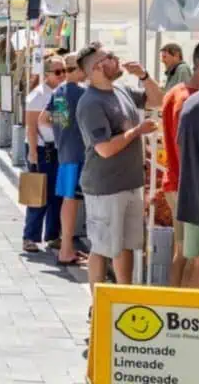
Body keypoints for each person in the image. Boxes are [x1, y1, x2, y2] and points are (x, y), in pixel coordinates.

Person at [75, 43, 163, 295]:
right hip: (105, 186)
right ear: (96, 68)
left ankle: (124, 297)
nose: (116, 59)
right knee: (103, 247)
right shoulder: (90, 102)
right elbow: (103, 149)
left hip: (129, 182)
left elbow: (158, 101)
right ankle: (98, 305)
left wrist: (144, 76)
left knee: (126, 244)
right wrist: (137, 131)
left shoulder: (121, 91)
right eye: (109, 57)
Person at [161, 41, 199, 287]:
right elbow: (185, 149)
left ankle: (176, 305)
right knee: (190, 256)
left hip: (180, 183)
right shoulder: (187, 99)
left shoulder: (178, 93)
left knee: (187, 254)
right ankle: (178, 308)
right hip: (186, 185)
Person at [39, 53, 88, 266]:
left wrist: (62, 132)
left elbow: (45, 119)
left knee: (69, 201)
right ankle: (68, 249)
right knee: (73, 202)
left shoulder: (59, 91)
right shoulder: (83, 92)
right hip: (79, 153)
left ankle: (66, 247)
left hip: (65, 151)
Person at [22, 56, 66, 254]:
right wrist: (32, 152)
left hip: (57, 149)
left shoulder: (61, 93)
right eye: (58, 72)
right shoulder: (38, 95)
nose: (62, 75)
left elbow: (61, 122)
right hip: (41, 149)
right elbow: (31, 127)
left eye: (64, 71)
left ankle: (52, 235)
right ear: (47, 74)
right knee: (37, 193)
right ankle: (30, 236)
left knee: (57, 195)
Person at [175, 43, 199, 289]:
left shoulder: (191, 103)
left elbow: (180, 147)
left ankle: (187, 321)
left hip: (193, 198)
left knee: (197, 263)